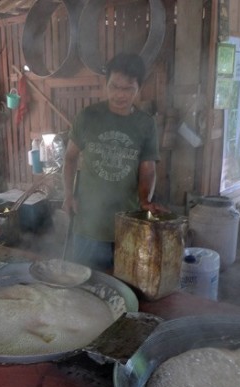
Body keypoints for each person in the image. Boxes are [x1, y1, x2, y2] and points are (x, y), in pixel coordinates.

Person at [62, 53, 162, 272]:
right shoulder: (88, 117)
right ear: (105, 84)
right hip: (88, 224)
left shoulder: (145, 124)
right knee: (83, 284)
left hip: (127, 224)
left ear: (139, 88)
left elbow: (148, 168)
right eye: (114, 86)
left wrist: (145, 199)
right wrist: (68, 195)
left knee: (124, 286)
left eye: (128, 89)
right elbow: (70, 158)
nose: (119, 94)